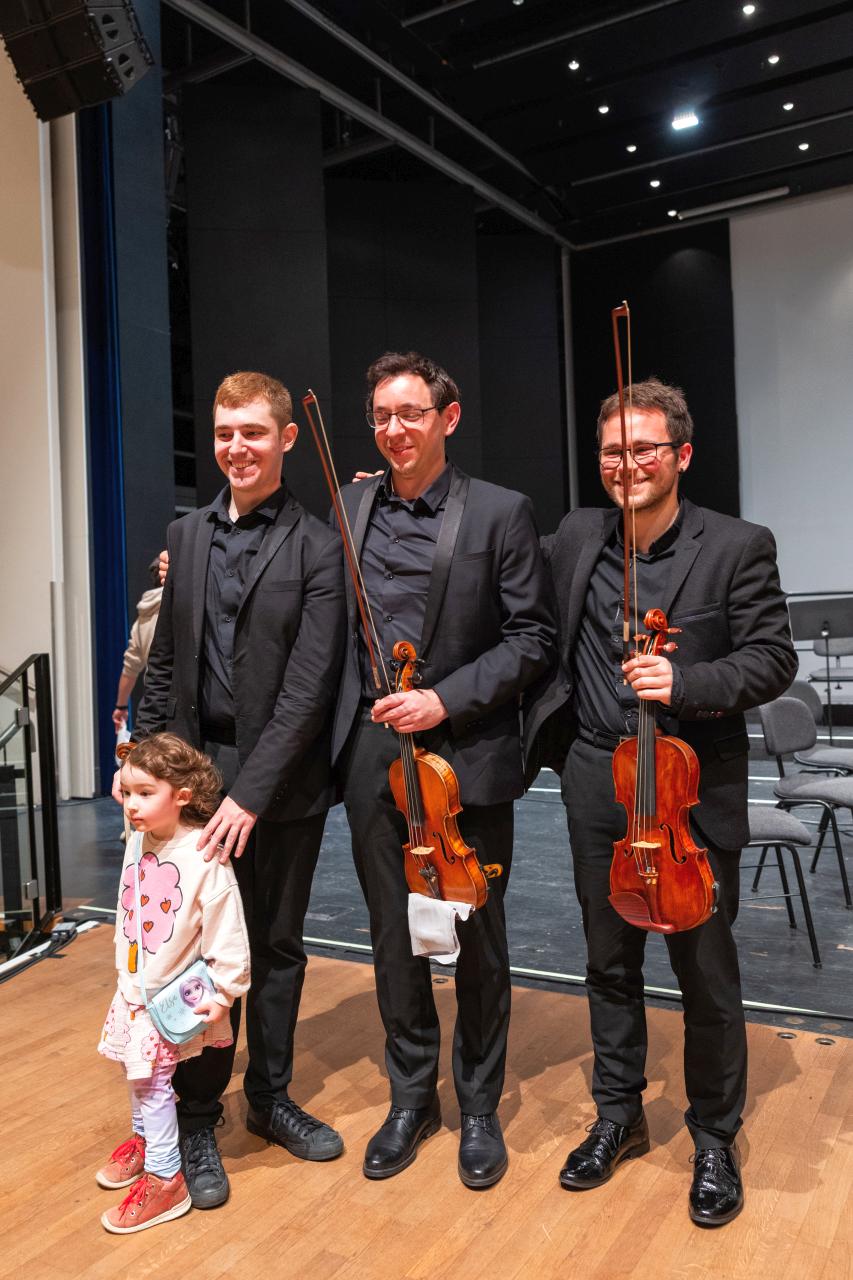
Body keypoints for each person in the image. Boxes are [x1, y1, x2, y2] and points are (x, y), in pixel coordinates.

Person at [529, 378, 797, 1226]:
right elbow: (497, 570)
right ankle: (617, 1116)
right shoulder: (577, 535)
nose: (626, 464)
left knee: (703, 971)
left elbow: (771, 658)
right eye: (612, 451)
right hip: (595, 777)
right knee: (606, 961)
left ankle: (713, 1135)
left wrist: (685, 680)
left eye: (643, 449)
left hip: (688, 786)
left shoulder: (737, 545)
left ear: (680, 454)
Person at [333, 351, 556, 1189]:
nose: (394, 429)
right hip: (373, 754)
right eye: (382, 416)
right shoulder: (349, 504)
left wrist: (442, 700)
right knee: (392, 934)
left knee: (476, 937)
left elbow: (532, 638)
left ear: (446, 418)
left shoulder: (500, 511)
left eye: (410, 413)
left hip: (465, 754)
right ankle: (410, 1099)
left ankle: (479, 1105)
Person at [125, 371, 346, 1209]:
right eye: (224, 432)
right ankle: (196, 1115)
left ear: (286, 438)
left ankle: (270, 1097)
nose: (236, 447)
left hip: (278, 787)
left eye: (253, 432)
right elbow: (164, 664)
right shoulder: (185, 534)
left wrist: (248, 795)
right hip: (193, 773)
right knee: (188, 957)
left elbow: (308, 688)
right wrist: (150, 770)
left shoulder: (318, 545)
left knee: (276, 948)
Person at [98, 734, 250, 1235]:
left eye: (145, 793)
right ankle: (146, 1144)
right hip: (134, 989)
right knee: (137, 1074)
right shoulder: (138, 838)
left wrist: (225, 993)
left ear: (182, 795)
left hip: (169, 998)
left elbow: (228, 932)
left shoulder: (205, 857)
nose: (131, 804)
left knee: (152, 1084)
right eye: (127, 792)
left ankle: (166, 1181)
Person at [112, 559, 163, 732]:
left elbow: (130, 667)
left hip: (155, 704)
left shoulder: (143, 619)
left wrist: (121, 706)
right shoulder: (187, 606)